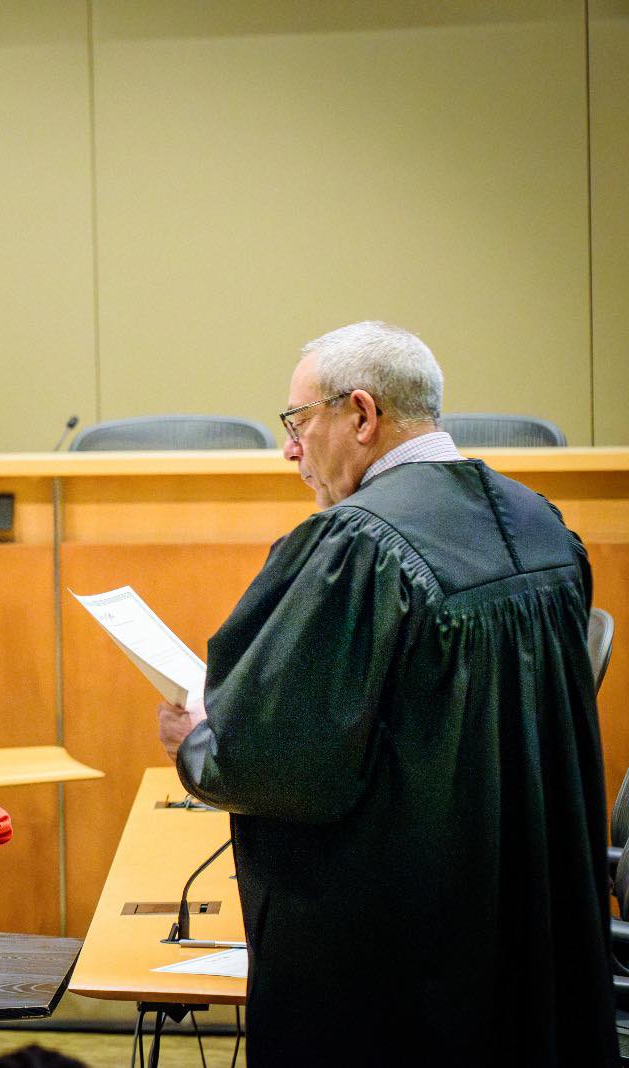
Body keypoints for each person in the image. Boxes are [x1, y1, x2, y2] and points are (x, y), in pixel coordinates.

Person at [155, 321, 615, 1066]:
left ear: (362, 416)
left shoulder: (358, 547)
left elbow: (280, 762)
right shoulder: (542, 525)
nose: (290, 449)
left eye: (299, 422)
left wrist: (200, 739)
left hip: (409, 962)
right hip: (534, 924)